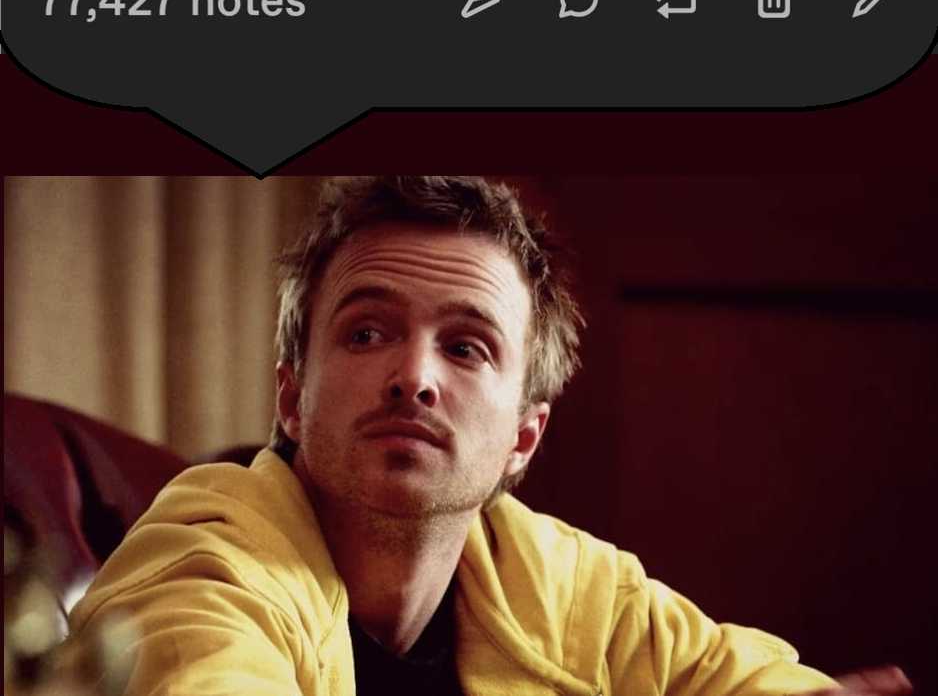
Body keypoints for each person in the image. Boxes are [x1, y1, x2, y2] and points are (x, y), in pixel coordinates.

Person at [69, 176, 913, 696]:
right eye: (366, 333)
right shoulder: (206, 552)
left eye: (467, 346)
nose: (415, 377)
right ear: (291, 399)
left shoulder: (556, 580)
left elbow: (730, 676)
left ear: (523, 437)